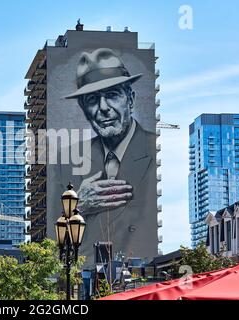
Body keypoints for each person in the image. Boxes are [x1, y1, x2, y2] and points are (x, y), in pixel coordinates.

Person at [57, 48, 157, 268]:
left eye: (112, 95)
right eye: (92, 99)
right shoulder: (66, 160)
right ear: (83, 108)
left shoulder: (150, 148)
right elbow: (56, 240)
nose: (103, 108)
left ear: (130, 99)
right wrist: (78, 206)